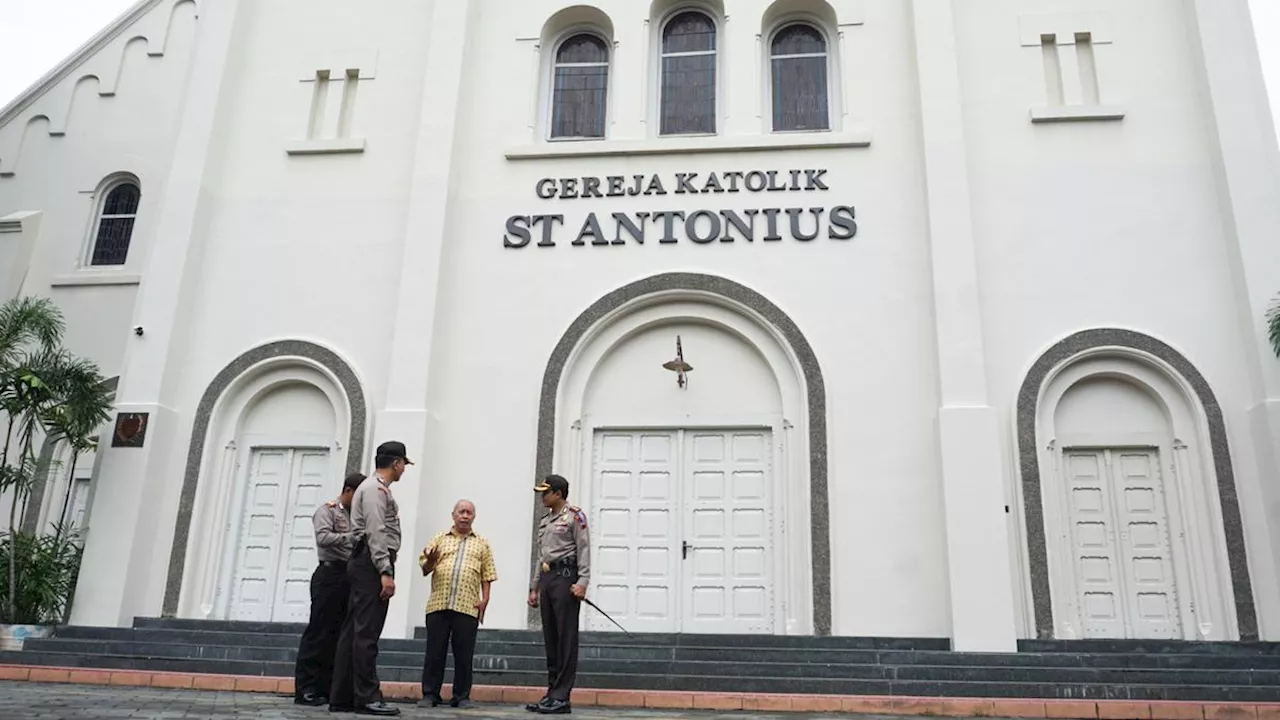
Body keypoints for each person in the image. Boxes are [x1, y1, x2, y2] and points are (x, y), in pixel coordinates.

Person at [330, 441, 413, 717]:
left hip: (362, 561)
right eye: (403, 465)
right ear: (397, 463)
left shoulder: (367, 487)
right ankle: (367, 696)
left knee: (352, 630)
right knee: (366, 632)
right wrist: (385, 571)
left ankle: (342, 695)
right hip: (371, 563)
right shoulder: (377, 489)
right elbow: (376, 531)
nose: (403, 471)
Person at [416, 499, 498, 709]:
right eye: (461, 512)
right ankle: (430, 694)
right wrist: (432, 561)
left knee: (464, 654)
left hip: (467, 606)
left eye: (469, 512)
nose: (465, 516)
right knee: (435, 652)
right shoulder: (439, 538)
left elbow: (487, 574)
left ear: (474, 517)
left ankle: (461, 696)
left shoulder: (482, 543)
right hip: (438, 604)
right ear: (453, 515)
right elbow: (425, 569)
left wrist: (485, 599)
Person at [293, 472, 364, 706]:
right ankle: (305, 688)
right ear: (348, 491)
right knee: (319, 632)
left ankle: (326, 687)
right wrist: (351, 538)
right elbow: (323, 538)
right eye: (358, 495)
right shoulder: (328, 510)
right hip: (329, 574)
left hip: (348, 576)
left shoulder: (358, 515)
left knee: (337, 634)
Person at [525, 474, 590, 715]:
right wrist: (534, 587)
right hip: (547, 577)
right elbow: (541, 555)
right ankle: (552, 692)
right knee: (551, 637)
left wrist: (582, 581)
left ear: (559, 493)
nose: (543, 496)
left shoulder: (575, 516)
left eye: (546, 492)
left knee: (565, 638)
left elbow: (584, 549)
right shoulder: (545, 520)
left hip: (565, 578)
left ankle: (562, 695)